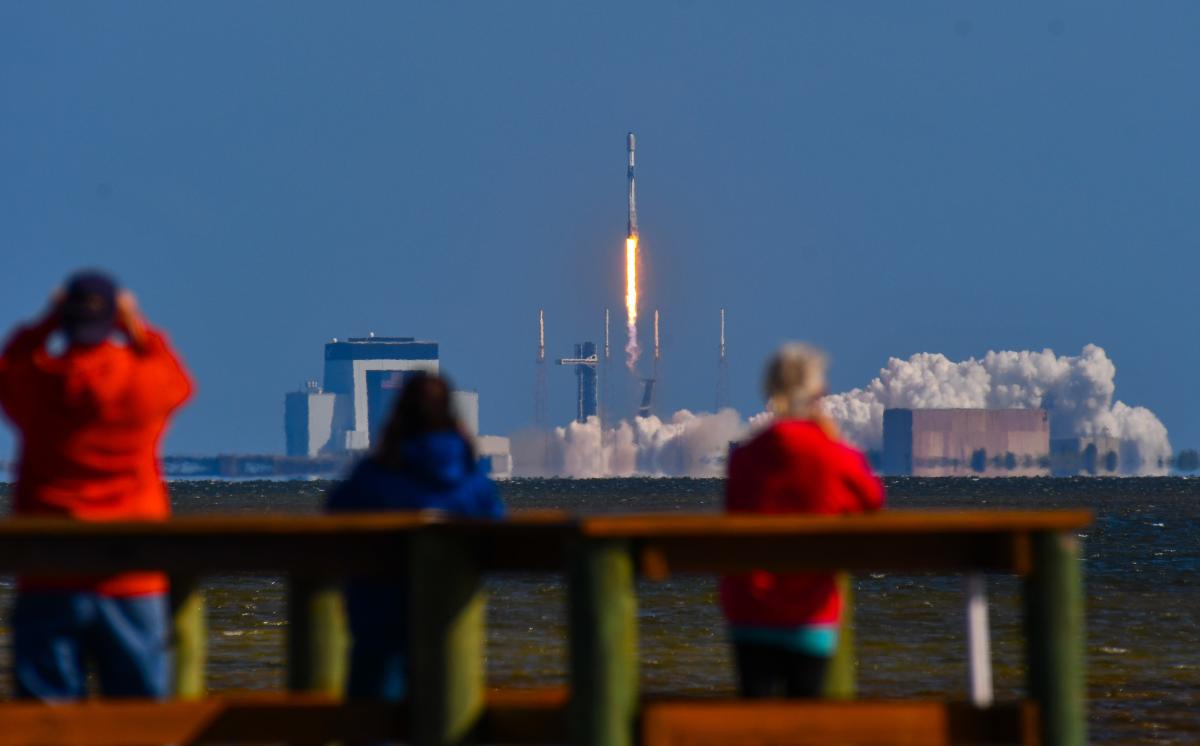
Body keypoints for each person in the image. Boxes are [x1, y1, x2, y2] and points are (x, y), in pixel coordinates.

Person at [0, 271, 193, 700]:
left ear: (63, 319)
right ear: (114, 318)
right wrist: (137, 325)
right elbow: (179, 381)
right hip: (131, 572)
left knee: (45, 722)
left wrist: (45, 321)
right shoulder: (142, 386)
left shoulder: (39, 385)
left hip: (49, 569)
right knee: (139, 718)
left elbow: (8, 365)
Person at [720, 343, 884, 698]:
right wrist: (832, 438)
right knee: (807, 720)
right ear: (814, 396)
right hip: (811, 614)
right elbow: (873, 498)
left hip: (749, 612)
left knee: (755, 718)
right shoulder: (832, 455)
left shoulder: (745, 458)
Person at [326, 372, 503, 701]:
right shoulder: (471, 481)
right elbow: (496, 524)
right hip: (450, 620)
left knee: (371, 715)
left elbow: (335, 508)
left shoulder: (375, 475)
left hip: (380, 621)